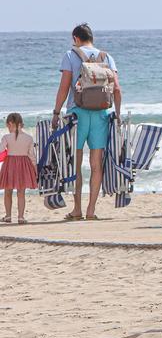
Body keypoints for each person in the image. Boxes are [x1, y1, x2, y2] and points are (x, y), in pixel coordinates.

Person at [51, 23, 121, 221]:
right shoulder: (106, 57)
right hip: (101, 114)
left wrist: (56, 113)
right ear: (92, 38)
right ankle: (91, 210)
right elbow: (117, 88)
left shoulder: (70, 55)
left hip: (77, 115)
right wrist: (118, 113)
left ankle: (77, 209)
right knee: (96, 163)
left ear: (76, 38)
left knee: (77, 162)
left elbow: (64, 88)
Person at [1, 113, 38, 224]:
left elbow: (0, 149)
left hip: (10, 165)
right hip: (24, 165)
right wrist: (35, 169)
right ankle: (21, 217)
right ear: (21, 124)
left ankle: (8, 216)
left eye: (8, 126)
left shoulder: (6, 137)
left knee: (8, 191)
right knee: (21, 193)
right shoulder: (29, 138)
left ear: (10, 124)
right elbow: (32, 156)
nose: (8, 128)